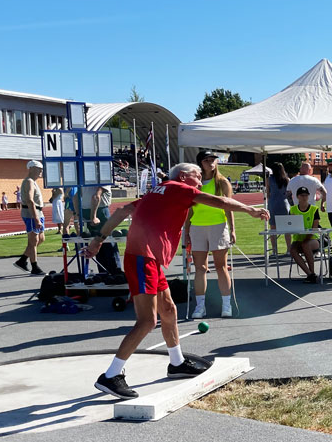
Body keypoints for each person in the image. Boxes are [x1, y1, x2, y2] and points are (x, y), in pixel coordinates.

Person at [85, 162, 269, 400]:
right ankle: (110, 375)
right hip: (142, 258)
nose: (200, 181)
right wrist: (250, 209)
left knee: (169, 310)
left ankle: (177, 363)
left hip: (149, 258)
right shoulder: (178, 188)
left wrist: (98, 239)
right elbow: (219, 201)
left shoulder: (157, 191)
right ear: (183, 176)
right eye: (197, 176)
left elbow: (122, 212)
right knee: (147, 321)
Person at [186, 151, 236, 319]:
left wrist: (233, 229)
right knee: (200, 268)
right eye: (206, 160)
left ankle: (226, 304)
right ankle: (200, 306)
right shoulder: (194, 184)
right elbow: (189, 210)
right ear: (200, 163)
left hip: (218, 226)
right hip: (197, 227)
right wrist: (186, 231)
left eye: (213, 160)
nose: (211, 163)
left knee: (221, 267)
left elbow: (229, 206)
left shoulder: (222, 182)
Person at [14, 160, 46, 276]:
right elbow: (30, 200)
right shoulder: (29, 182)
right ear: (31, 168)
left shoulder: (33, 182)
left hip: (38, 212)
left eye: (41, 169)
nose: (41, 171)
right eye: (39, 169)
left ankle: (22, 260)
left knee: (41, 238)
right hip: (31, 213)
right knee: (33, 241)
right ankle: (34, 266)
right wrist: (36, 218)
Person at [288, 186, 323, 284]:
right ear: (297, 197)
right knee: (292, 250)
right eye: (302, 195)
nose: (304, 197)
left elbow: (314, 228)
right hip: (298, 239)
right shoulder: (292, 210)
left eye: (306, 195)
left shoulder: (314, 209)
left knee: (305, 244)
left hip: (313, 239)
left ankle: (312, 272)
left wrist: (306, 238)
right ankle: (310, 274)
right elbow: (289, 226)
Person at [265, 162, 291, 256]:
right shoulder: (287, 179)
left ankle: (274, 250)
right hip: (284, 203)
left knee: (273, 228)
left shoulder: (269, 179)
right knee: (287, 228)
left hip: (273, 203)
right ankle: (288, 249)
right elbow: (289, 193)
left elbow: (268, 193)